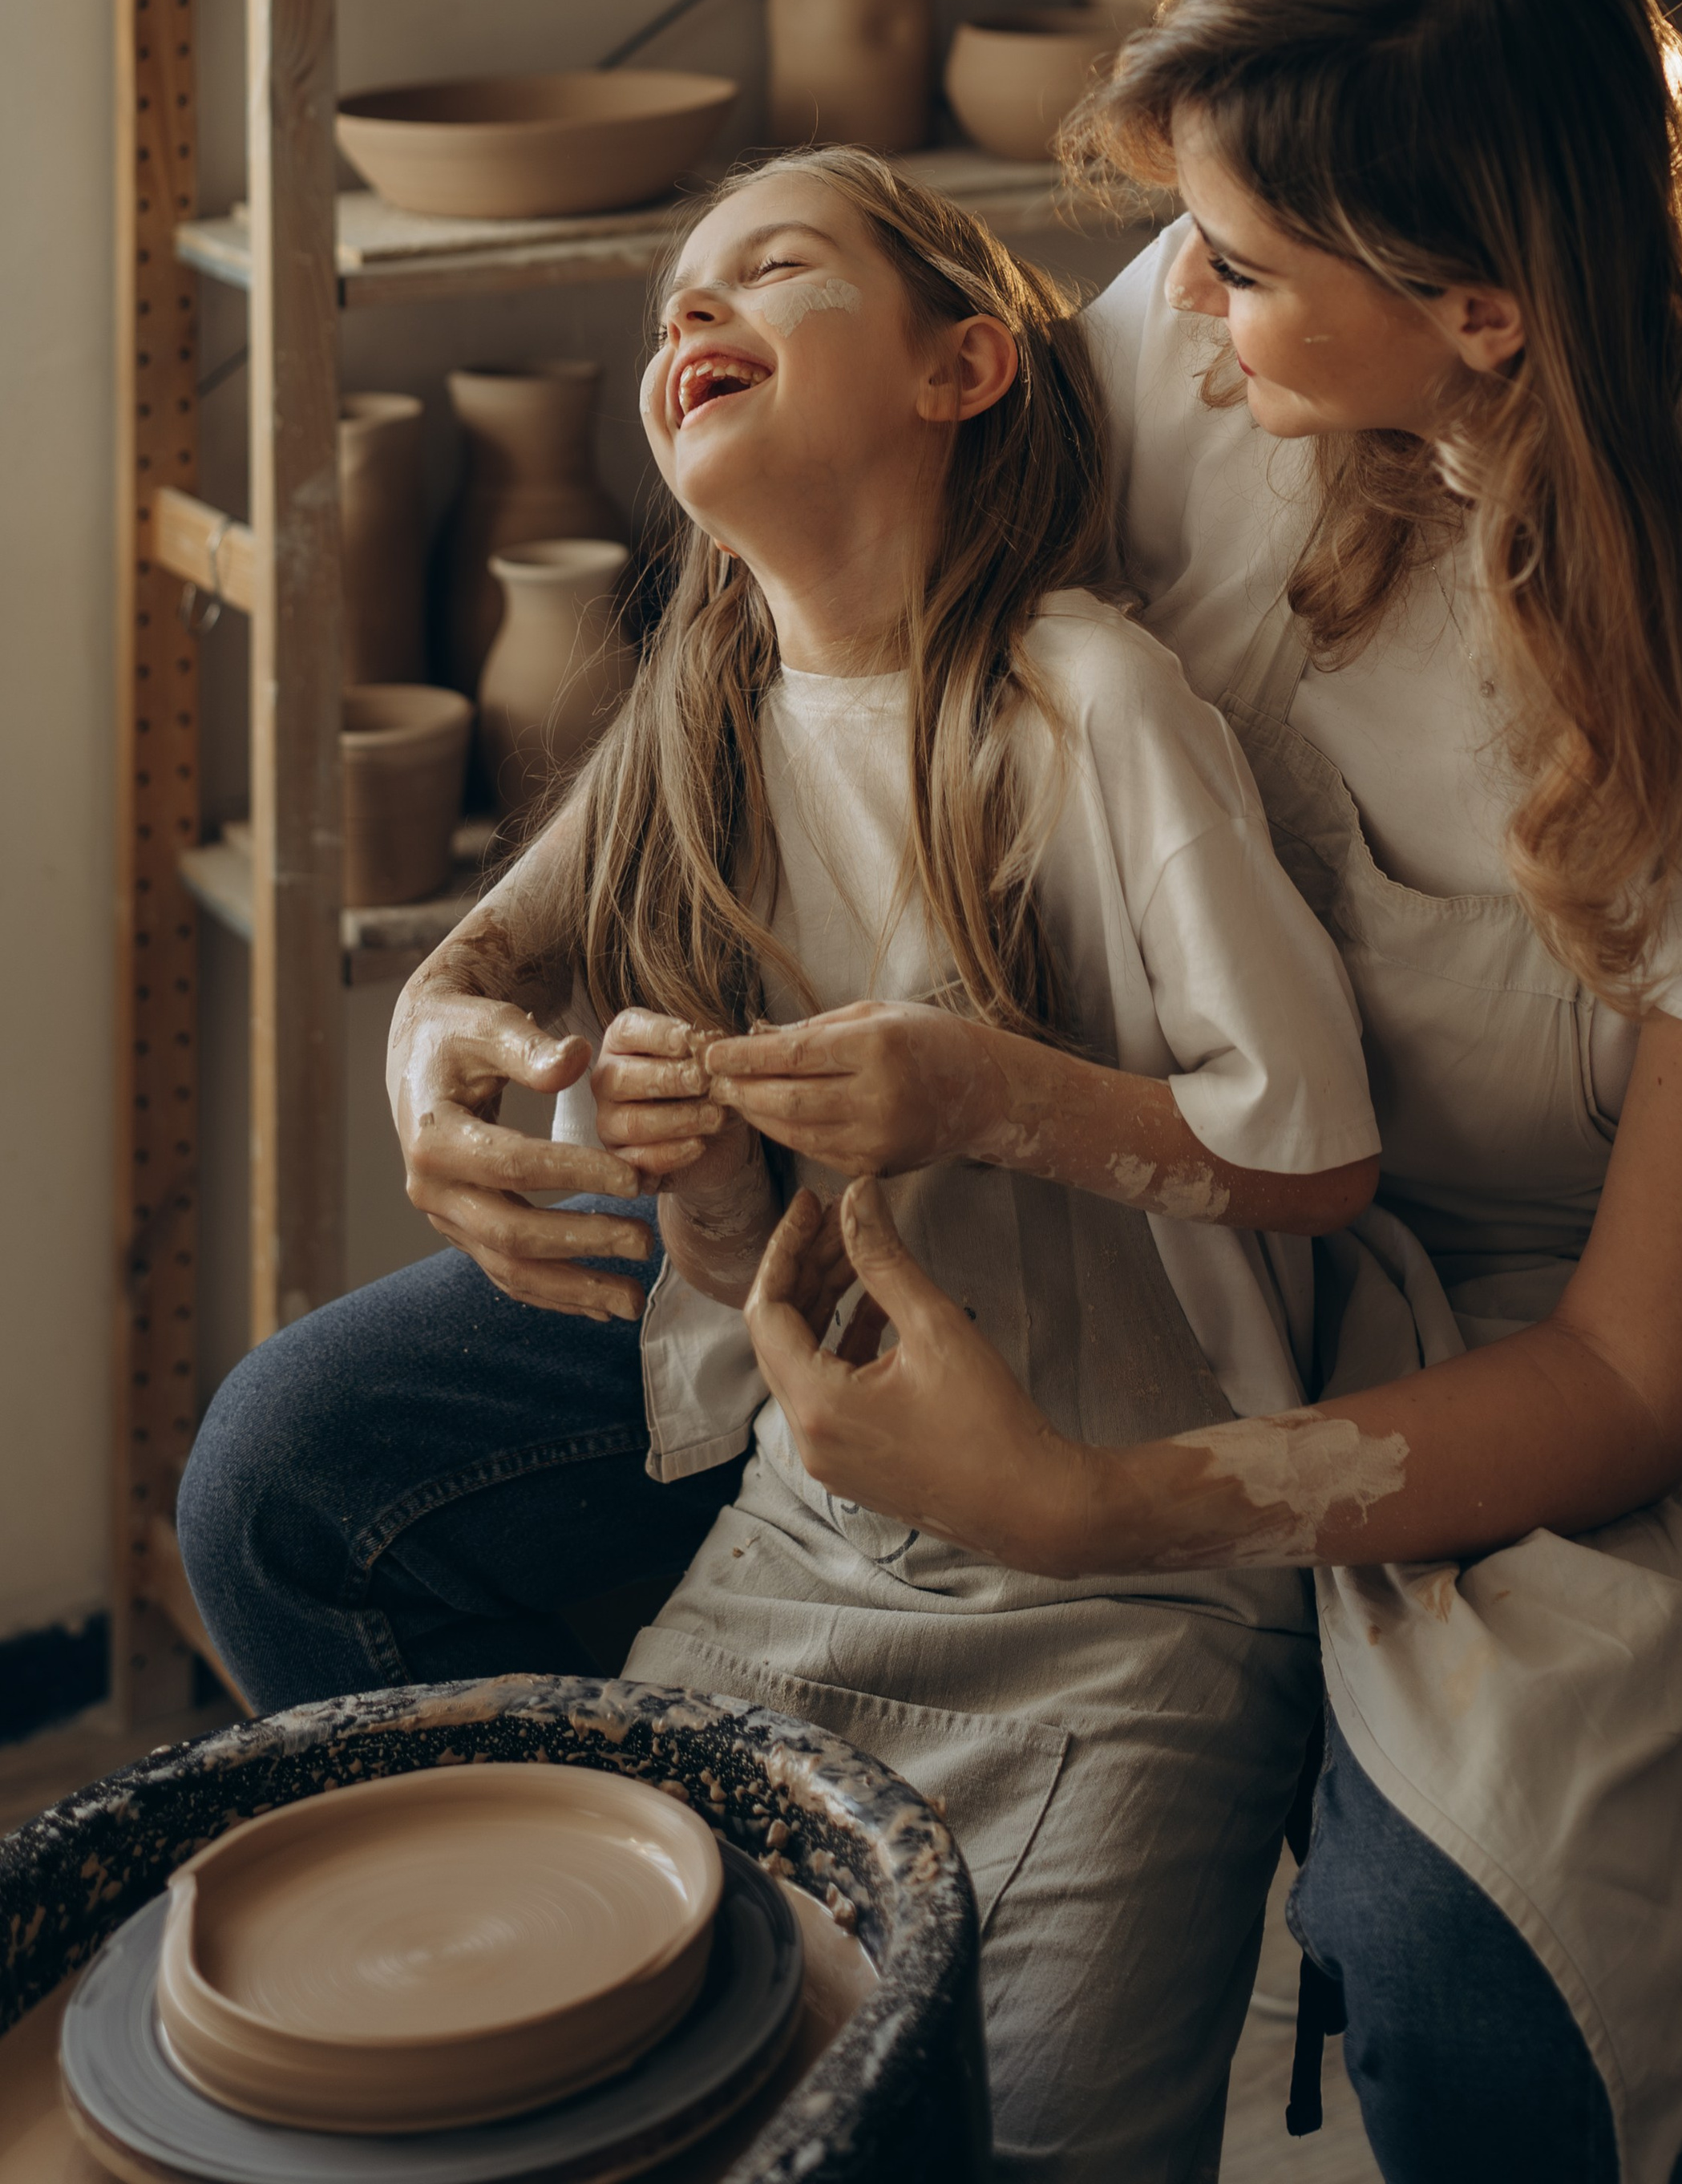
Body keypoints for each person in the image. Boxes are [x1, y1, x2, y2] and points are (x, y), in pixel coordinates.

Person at [694, 0, 1682, 2184]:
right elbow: (873, 604)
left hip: (1506, 1327)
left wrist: (1100, 1509)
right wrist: (483, 1003)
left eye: (1245, 268)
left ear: (1480, 311)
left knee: (1482, 1991)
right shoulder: (1212, 317)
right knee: (306, 1478)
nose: (1177, 304)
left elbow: (1646, 1369)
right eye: (1192, 242)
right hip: (1099, 1178)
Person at [182, 149, 1382, 2184]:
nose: (686, 318)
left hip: (1130, 1587)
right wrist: (483, 1072)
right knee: (694, 2090)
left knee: (1022, 2139)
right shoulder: (707, 691)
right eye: (669, 300)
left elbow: (1315, 1156)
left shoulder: (1086, 705)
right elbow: (484, 967)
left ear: (963, 365)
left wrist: (982, 1092)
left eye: (770, 269)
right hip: (803, 1538)